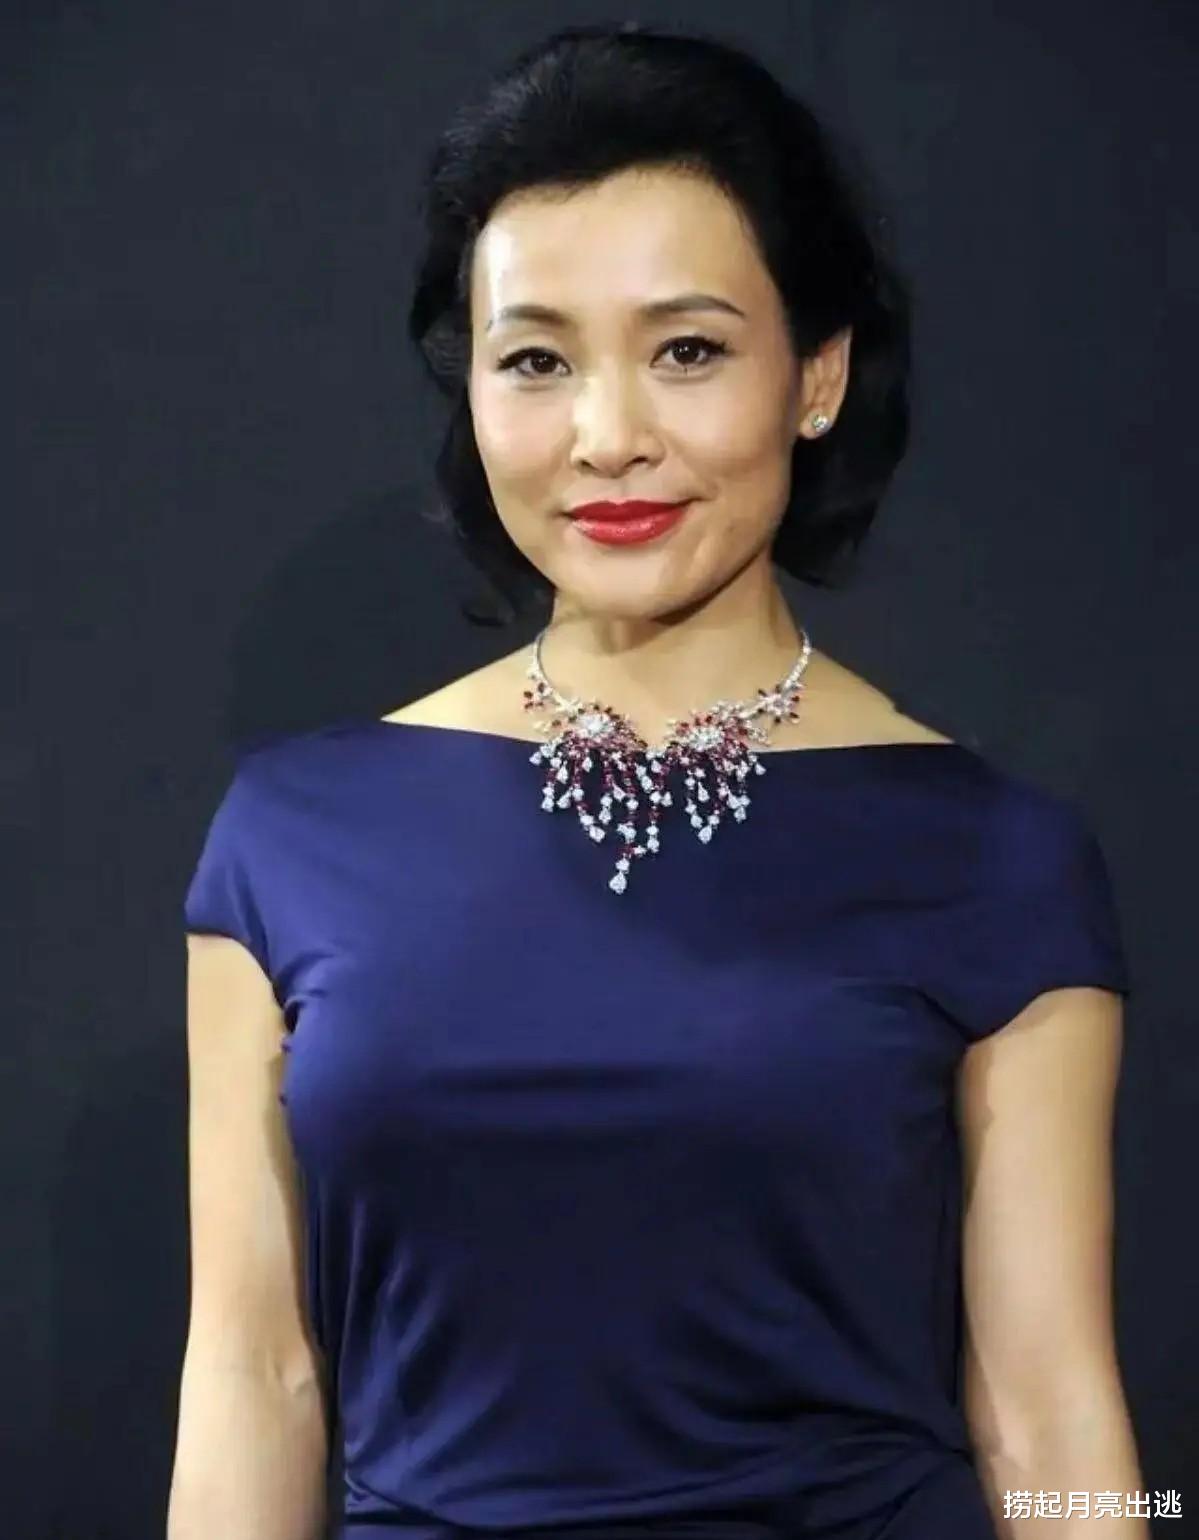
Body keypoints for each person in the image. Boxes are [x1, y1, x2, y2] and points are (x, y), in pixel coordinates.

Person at [169, 23, 1145, 1540]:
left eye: (688, 350)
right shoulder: (294, 840)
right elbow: (256, 1375)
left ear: (817, 375)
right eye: (536, 361)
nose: (608, 437)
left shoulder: (994, 857)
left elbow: (1048, 1416)